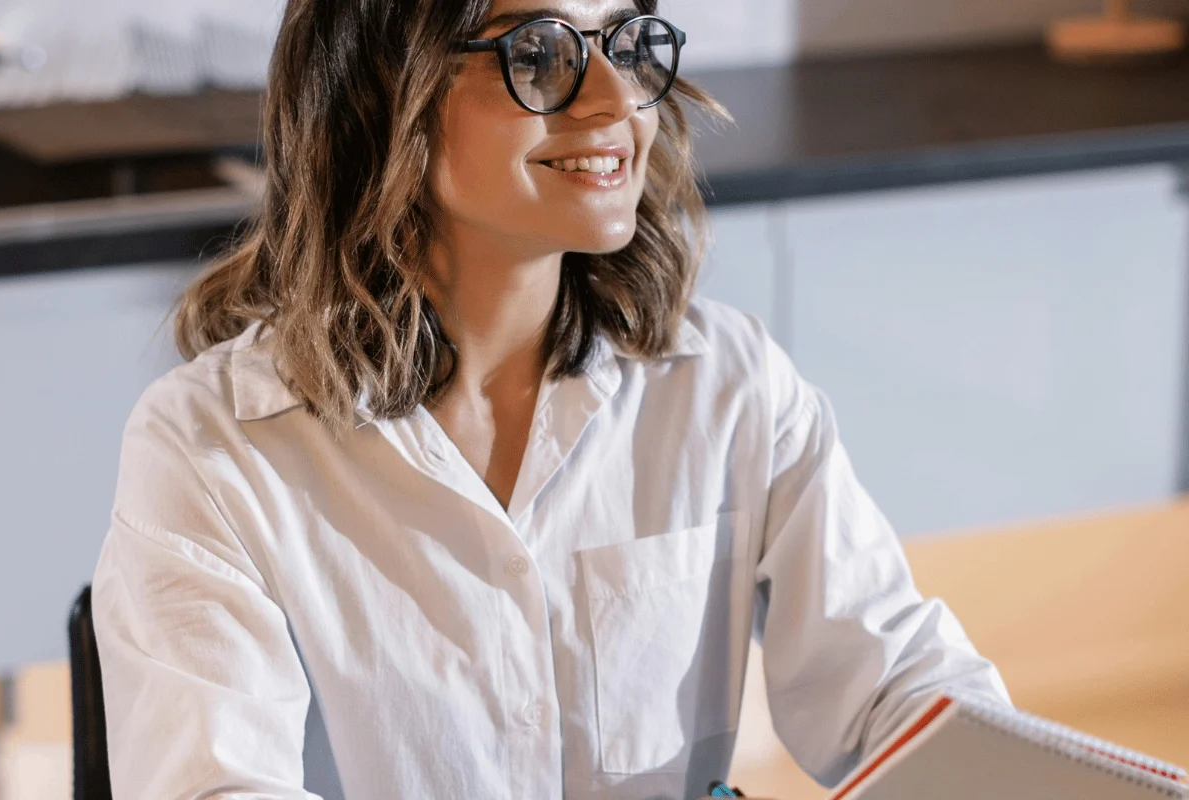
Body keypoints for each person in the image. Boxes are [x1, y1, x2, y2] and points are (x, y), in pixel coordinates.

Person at [91, 0, 1011, 798]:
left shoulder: (728, 384)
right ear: (378, 91)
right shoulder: (208, 449)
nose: (615, 102)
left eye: (626, 43)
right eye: (538, 53)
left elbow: (902, 686)